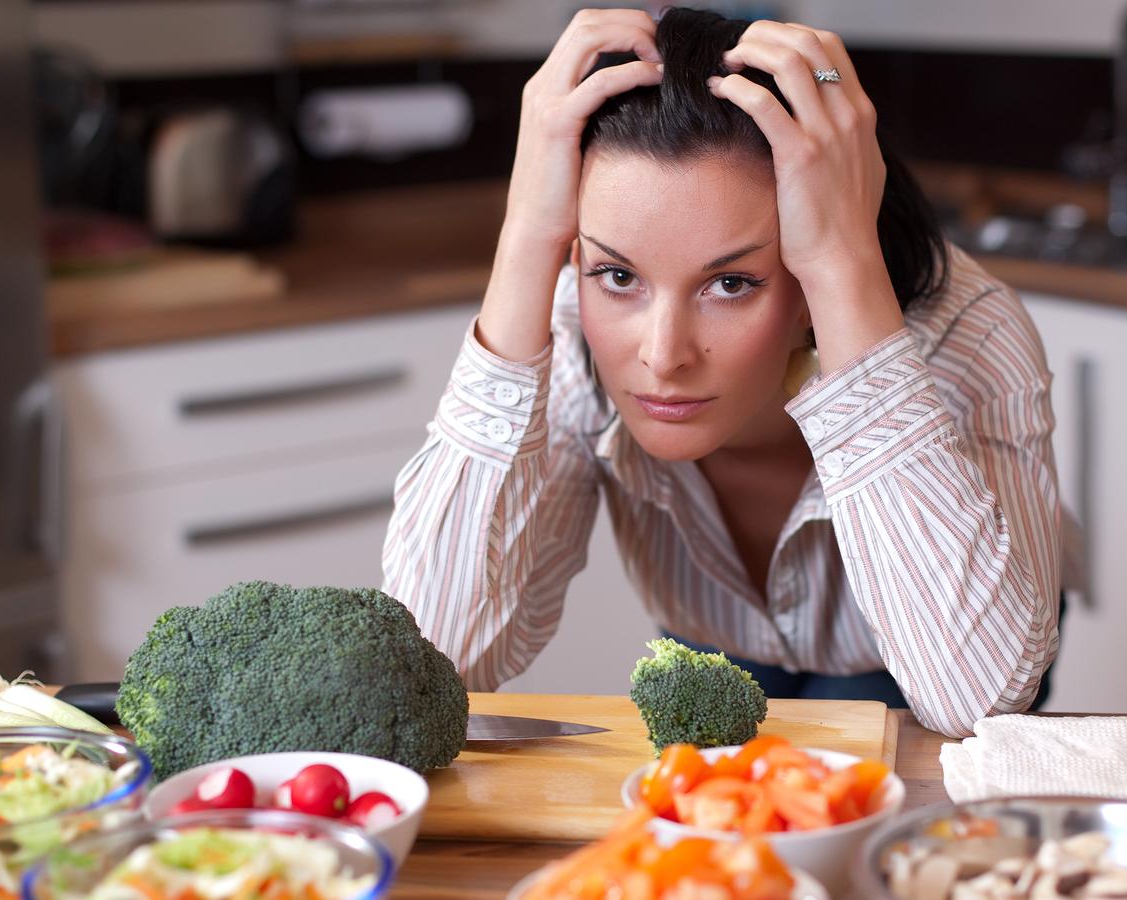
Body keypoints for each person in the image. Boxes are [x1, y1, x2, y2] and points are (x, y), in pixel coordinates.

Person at [382, 7, 1062, 737]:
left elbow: (978, 701)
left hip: (936, 656)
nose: (662, 354)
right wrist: (524, 237)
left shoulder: (966, 336)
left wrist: (841, 265)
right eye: (616, 273)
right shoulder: (571, 324)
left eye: (731, 283)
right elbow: (433, 660)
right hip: (716, 645)